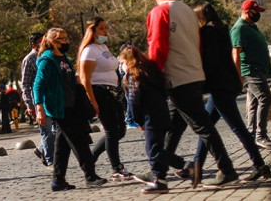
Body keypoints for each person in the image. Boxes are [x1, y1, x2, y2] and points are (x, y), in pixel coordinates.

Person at [147, 0, 238, 186]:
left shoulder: (159, 12)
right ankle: (157, 171)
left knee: (202, 125)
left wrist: (152, 76)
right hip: (194, 73)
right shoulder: (187, 10)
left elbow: (157, 47)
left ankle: (227, 168)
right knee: (174, 127)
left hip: (177, 77)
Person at [191, 3, 270, 185]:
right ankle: (197, 167)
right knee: (206, 128)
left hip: (219, 86)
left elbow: (211, 63)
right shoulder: (221, 29)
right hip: (226, 84)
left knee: (237, 128)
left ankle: (258, 165)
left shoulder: (208, 33)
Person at [33, 28, 107, 191]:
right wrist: (39, 108)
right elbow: (38, 85)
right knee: (79, 141)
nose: (66, 41)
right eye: (62, 39)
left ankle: (58, 181)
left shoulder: (63, 58)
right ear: (53, 42)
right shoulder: (47, 60)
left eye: (67, 38)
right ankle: (90, 176)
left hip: (73, 105)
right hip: (60, 107)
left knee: (62, 146)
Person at [118, 45, 188, 194]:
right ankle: (159, 179)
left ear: (127, 61)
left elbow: (133, 101)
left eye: (122, 62)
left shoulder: (132, 75)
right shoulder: (152, 71)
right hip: (162, 113)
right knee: (157, 148)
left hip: (149, 116)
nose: (121, 66)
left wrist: (137, 120)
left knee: (154, 151)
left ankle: (187, 165)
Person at [77, 17, 131, 180]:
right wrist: (92, 101)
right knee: (111, 131)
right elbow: (85, 78)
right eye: (101, 28)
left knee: (120, 130)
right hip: (100, 92)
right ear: (92, 31)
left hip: (113, 93)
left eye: (106, 28)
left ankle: (90, 159)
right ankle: (117, 168)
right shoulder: (89, 51)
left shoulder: (103, 47)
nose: (105, 31)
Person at [230, 0, 271, 149]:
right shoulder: (239, 28)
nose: (258, 14)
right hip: (250, 71)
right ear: (247, 12)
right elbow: (236, 54)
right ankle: (260, 136)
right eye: (256, 12)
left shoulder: (250, 26)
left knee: (254, 103)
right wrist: (238, 77)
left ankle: (249, 137)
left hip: (258, 70)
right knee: (265, 97)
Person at [20, 31, 54, 166]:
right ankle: (52, 161)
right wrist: (30, 105)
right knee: (47, 132)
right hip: (39, 101)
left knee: (56, 131)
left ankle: (41, 150)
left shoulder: (49, 55)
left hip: (52, 99)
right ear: (34, 44)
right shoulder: (29, 59)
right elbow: (25, 84)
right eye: (41, 41)